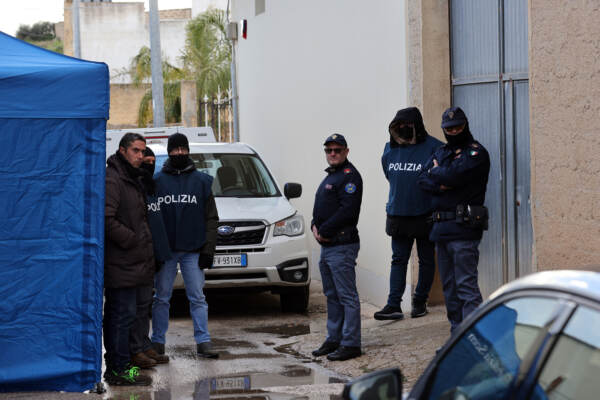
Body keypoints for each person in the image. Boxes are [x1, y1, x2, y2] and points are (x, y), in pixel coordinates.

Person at [417, 106, 490, 332]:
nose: (454, 131)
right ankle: (456, 336)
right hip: (441, 229)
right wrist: (444, 182)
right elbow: (421, 180)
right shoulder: (441, 153)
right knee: (449, 289)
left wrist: (439, 175)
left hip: (464, 229)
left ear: (465, 125)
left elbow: (455, 176)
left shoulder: (475, 153)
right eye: (449, 129)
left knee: (466, 287)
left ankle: (473, 338)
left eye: (458, 127)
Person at [150, 133, 220, 358]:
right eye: (175, 149)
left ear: (188, 151)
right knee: (161, 298)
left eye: (183, 149)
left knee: (198, 297)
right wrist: (155, 251)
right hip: (166, 251)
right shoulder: (157, 182)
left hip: (194, 250)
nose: (179, 153)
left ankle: (203, 341)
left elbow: (211, 219)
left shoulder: (202, 181)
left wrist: (209, 250)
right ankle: (157, 342)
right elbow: (151, 218)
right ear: (169, 151)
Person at [374, 107, 443, 321]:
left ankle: (419, 302)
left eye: (407, 125)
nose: (403, 129)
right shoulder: (389, 149)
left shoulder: (435, 147)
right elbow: (390, 175)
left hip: (425, 213)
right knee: (398, 259)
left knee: (426, 260)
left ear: (417, 126)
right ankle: (394, 305)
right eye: (399, 126)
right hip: (398, 214)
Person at [104, 132, 154, 385]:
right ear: (122, 151)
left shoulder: (132, 178)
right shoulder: (113, 179)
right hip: (121, 264)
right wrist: (131, 240)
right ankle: (117, 371)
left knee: (129, 317)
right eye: (135, 150)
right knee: (120, 318)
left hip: (134, 263)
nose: (140, 156)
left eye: (142, 151)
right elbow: (106, 220)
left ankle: (123, 368)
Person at [311, 133, 363, 361]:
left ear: (346, 151)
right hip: (328, 246)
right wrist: (314, 225)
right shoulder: (331, 176)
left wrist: (324, 231)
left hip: (341, 245)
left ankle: (351, 343)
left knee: (347, 296)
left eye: (337, 150)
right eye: (328, 150)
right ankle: (334, 339)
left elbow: (348, 211)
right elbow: (321, 208)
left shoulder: (350, 177)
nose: (332, 154)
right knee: (332, 295)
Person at [127, 147, 171, 369]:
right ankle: (134, 350)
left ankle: (144, 346)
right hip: (137, 255)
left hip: (153, 255)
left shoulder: (153, 186)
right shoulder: (134, 186)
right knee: (133, 307)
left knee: (145, 305)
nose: (150, 164)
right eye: (146, 160)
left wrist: (161, 254)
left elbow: (159, 224)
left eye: (154, 161)